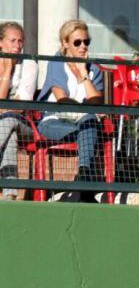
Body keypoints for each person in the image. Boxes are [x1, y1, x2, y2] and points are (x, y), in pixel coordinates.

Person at [37, 20, 104, 202]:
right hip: (53, 121)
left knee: (89, 123)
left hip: (82, 124)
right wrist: (87, 108)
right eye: (77, 42)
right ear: (65, 43)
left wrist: (83, 74)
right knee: (90, 123)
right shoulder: (57, 63)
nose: (83, 46)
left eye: (86, 42)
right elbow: (62, 99)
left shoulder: (94, 70)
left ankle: (82, 177)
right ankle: (87, 188)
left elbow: (97, 101)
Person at [0, 21, 38, 201]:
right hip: (7, 128)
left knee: (9, 119)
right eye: (12, 40)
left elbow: (20, 106)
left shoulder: (29, 65)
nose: (17, 46)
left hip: (25, 126)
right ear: (1, 43)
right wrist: (6, 73)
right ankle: (10, 195)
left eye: (20, 41)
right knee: (9, 133)